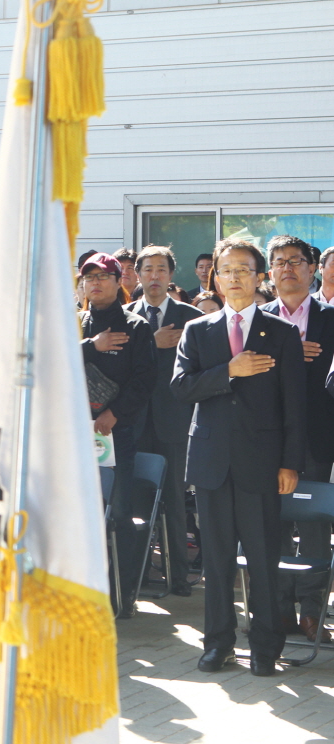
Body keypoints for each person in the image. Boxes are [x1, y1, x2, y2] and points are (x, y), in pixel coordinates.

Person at [172, 238, 306, 677]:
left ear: (259, 276)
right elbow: (181, 387)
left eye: (244, 270)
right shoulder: (199, 329)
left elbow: (295, 404)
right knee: (216, 560)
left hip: (262, 463)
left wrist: (290, 463)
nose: (234, 278)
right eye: (226, 270)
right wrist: (227, 372)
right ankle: (218, 644)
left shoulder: (282, 333)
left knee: (264, 557)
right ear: (216, 277)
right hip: (211, 463)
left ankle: (266, 647)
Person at [259, 235, 334, 644]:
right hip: (267, 439)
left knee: (315, 525)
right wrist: (286, 356)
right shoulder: (255, 318)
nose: (288, 267)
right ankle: (280, 611)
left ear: (311, 268)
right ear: (270, 272)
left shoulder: (331, 317)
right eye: (280, 262)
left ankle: (312, 612)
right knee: (273, 523)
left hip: (317, 439)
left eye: (296, 261)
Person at [79, 253, 157, 617]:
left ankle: (120, 594)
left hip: (118, 433)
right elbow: (49, 363)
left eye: (104, 276)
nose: (96, 283)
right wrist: (90, 346)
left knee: (119, 513)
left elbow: (145, 381)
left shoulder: (137, 326)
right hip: (74, 435)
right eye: (89, 277)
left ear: (118, 281)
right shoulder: (74, 324)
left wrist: (114, 414)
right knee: (78, 515)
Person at [127, 246, 202, 598]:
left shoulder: (191, 317)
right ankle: (136, 573)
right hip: (135, 422)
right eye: (147, 269)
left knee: (174, 499)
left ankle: (178, 577)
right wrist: (151, 345)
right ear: (138, 275)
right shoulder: (126, 318)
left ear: (172, 275)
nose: (154, 276)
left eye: (161, 269)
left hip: (174, 422)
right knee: (137, 498)